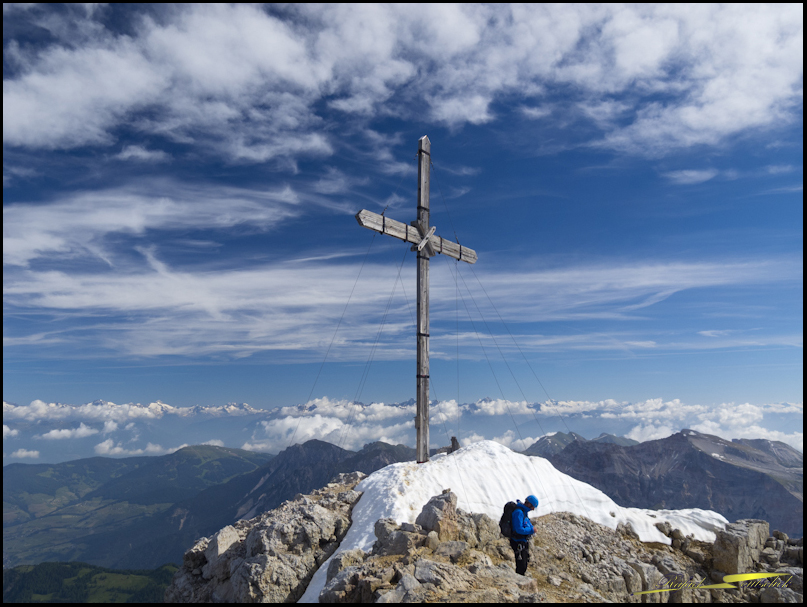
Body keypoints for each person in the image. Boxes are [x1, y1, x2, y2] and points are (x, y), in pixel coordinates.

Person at [510, 494, 538, 575]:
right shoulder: (519, 512)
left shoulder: (524, 511)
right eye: (533, 506)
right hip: (517, 541)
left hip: (522, 541)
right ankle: (519, 581)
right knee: (521, 565)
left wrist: (531, 529)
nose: (533, 509)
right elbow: (519, 529)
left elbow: (527, 523)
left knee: (524, 563)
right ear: (529, 504)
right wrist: (531, 530)